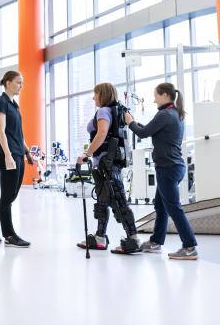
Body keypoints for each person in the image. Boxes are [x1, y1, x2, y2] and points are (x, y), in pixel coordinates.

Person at [124, 82, 198, 260]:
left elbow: (142, 133)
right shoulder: (174, 114)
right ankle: (156, 242)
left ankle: (190, 246)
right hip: (173, 167)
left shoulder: (164, 114)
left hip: (168, 168)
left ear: (165, 95)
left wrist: (130, 122)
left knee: (174, 208)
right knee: (161, 206)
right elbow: (148, 129)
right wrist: (134, 122)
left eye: (156, 95)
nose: (153, 99)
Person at [76, 83, 140, 254]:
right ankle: (99, 238)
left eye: (95, 94)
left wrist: (87, 154)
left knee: (119, 202)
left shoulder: (104, 111)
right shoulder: (117, 111)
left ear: (102, 95)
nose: (93, 97)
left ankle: (133, 240)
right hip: (109, 163)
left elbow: (102, 133)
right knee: (103, 202)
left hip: (107, 163)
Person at [0, 71, 34, 248]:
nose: (21, 86)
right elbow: (1, 132)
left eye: (22, 82)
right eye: (19, 82)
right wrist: (8, 155)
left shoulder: (14, 105)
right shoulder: (1, 103)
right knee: (7, 197)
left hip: (18, 154)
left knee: (9, 196)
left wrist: (27, 152)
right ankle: (9, 235)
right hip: (8, 155)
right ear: (8, 83)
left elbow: (18, 134)